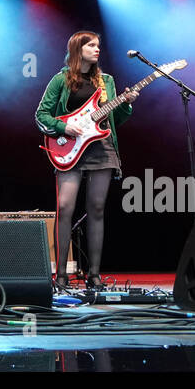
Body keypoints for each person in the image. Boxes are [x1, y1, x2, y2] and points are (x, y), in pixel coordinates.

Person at [34, 31, 136, 292]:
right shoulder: (61, 79)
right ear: (77, 49)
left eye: (98, 45)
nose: (96, 48)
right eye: (90, 44)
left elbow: (115, 120)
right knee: (65, 207)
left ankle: (94, 275)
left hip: (101, 147)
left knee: (97, 209)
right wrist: (63, 128)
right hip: (70, 146)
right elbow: (41, 115)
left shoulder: (107, 81)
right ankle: (60, 276)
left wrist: (126, 104)